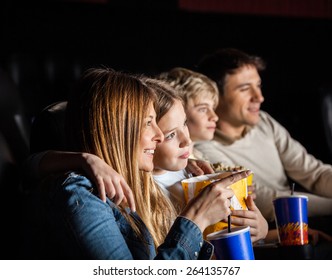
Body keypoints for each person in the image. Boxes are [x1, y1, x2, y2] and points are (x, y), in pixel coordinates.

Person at [32, 67, 250, 259]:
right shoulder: (83, 196)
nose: (159, 135)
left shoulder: (133, 185)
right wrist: (195, 220)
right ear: (116, 131)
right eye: (148, 123)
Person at [194, 48, 332, 228]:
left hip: (305, 216)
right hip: (273, 228)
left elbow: (314, 174)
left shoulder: (264, 122)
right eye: (244, 89)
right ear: (214, 97)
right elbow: (265, 202)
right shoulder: (202, 148)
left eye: (258, 86)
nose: (259, 97)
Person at [153, 69, 268, 243]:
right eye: (170, 134)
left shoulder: (195, 167)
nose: (186, 139)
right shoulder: (148, 189)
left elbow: (228, 229)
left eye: (183, 124)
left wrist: (262, 229)